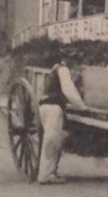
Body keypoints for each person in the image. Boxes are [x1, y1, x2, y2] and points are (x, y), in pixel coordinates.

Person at [37, 54, 88, 185]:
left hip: (45, 106)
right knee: (52, 141)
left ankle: (50, 172)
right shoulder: (63, 70)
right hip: (53, 108)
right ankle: (45, 175)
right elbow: (68, 91)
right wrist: (82, 107)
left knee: (55, 140)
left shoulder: (55, 70)